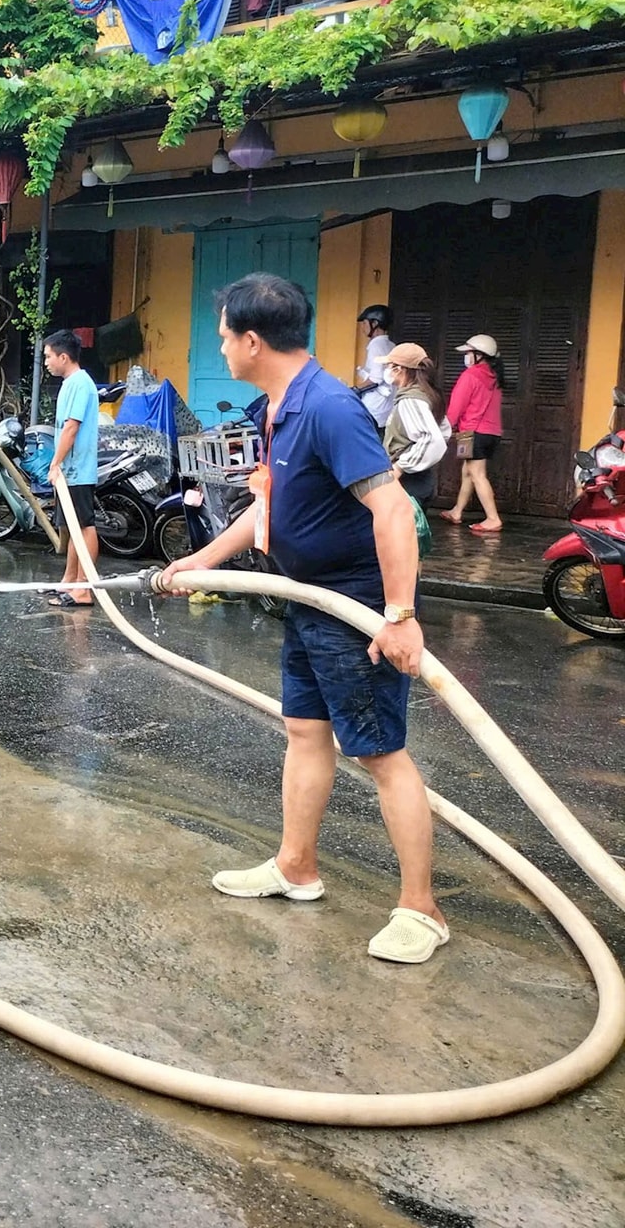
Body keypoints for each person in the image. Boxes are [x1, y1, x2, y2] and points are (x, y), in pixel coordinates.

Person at [162, 273, 443, 965]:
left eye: (224, 337)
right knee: (305, 732)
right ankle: (296, 866)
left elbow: (392, 509)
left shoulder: (328, 408)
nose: (221, 348)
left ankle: (422, 909)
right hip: (307, 597)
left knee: (379, 753)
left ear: (253, 341)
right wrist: (202, 558)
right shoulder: (279, 406)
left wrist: (398, 616)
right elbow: (271, 506)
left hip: (354, 607)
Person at [43, 331, 100, 607]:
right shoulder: (71, 383)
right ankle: (69, 581)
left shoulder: (80, 384)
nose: (46, 362)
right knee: (73, 527)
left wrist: (55, 463)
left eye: (48, 357)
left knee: (85, 527)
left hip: (78, 469)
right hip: (70, 470)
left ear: (64, 357)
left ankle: (84, 588)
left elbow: (71, 427)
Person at [438, 333, 505, 534]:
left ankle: (493, 518)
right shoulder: (494, 377)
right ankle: (457, 511)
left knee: (477, 474)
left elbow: (456, 407)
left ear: (479, 355)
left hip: (471, 432)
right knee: (468, 471)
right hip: (490, 433)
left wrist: (444, 428)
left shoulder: (470, 376)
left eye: (468, 353)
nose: (466, 357)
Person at [380, 343, 448, 504]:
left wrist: (400, 467)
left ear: (399, 369)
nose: (386, 370)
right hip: (421, 478)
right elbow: (444, 430)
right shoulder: (426, 394)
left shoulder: (411, 400)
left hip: (409, 481)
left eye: (389, 366)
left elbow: (433, 439)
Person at [354, 304, 395, 428]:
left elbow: (376, 379)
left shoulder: (376, 345)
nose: (362, 328)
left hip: (374, 406)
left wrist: (355, 390)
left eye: (364, 323)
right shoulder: (391, 345)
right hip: (387, 408)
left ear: (375, 323)